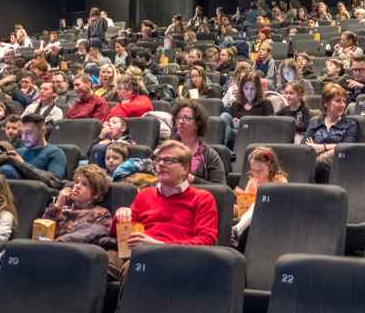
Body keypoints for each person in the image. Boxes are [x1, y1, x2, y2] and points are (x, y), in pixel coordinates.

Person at [112, 141, 218, 271]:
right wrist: (121, 216)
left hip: (178, 261)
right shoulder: (145, 194)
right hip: (139, 256)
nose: (161, 164)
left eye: (168, 160)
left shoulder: (202, 198)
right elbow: (120, 237)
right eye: (158, 160)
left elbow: (206, 241)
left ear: (185, 169)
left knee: (135, 267)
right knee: (100, 260)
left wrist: (159, 245)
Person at [232, 147, 288, 244]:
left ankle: (236, 230)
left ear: (270, 167)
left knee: (257, 204)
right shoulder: (252, 181)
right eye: (253, 170)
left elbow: (280, 207)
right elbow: (246, 210)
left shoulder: (280, 182)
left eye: (260, 171)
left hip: (270, 218)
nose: (256, 174)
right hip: (250, 218)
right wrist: (236, 207)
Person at [304, 83, 358, 183]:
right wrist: (334, 146)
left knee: (321, 162)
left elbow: (347, 147)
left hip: (339, 162)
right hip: (313, 160)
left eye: (344, 101)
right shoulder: (315, 121)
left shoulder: (350, 124)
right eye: (338, 101)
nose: (342, 104)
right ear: (326, 103)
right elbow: (306, 145)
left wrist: (321, 148)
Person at [0, 114, 67, 180]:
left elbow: (54, 180)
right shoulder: (18, 152)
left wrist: (22, 164)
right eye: (22, 133)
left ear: (42, 131)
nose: (23, 138)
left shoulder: (55, 153)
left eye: (28, 133)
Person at [171, 100, 225, 184]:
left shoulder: (210, 156)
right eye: (178, 118)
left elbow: (221, 188)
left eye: (187, 118)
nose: (180, 121)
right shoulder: (166, 149)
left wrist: (194, 180)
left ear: (197, 124)